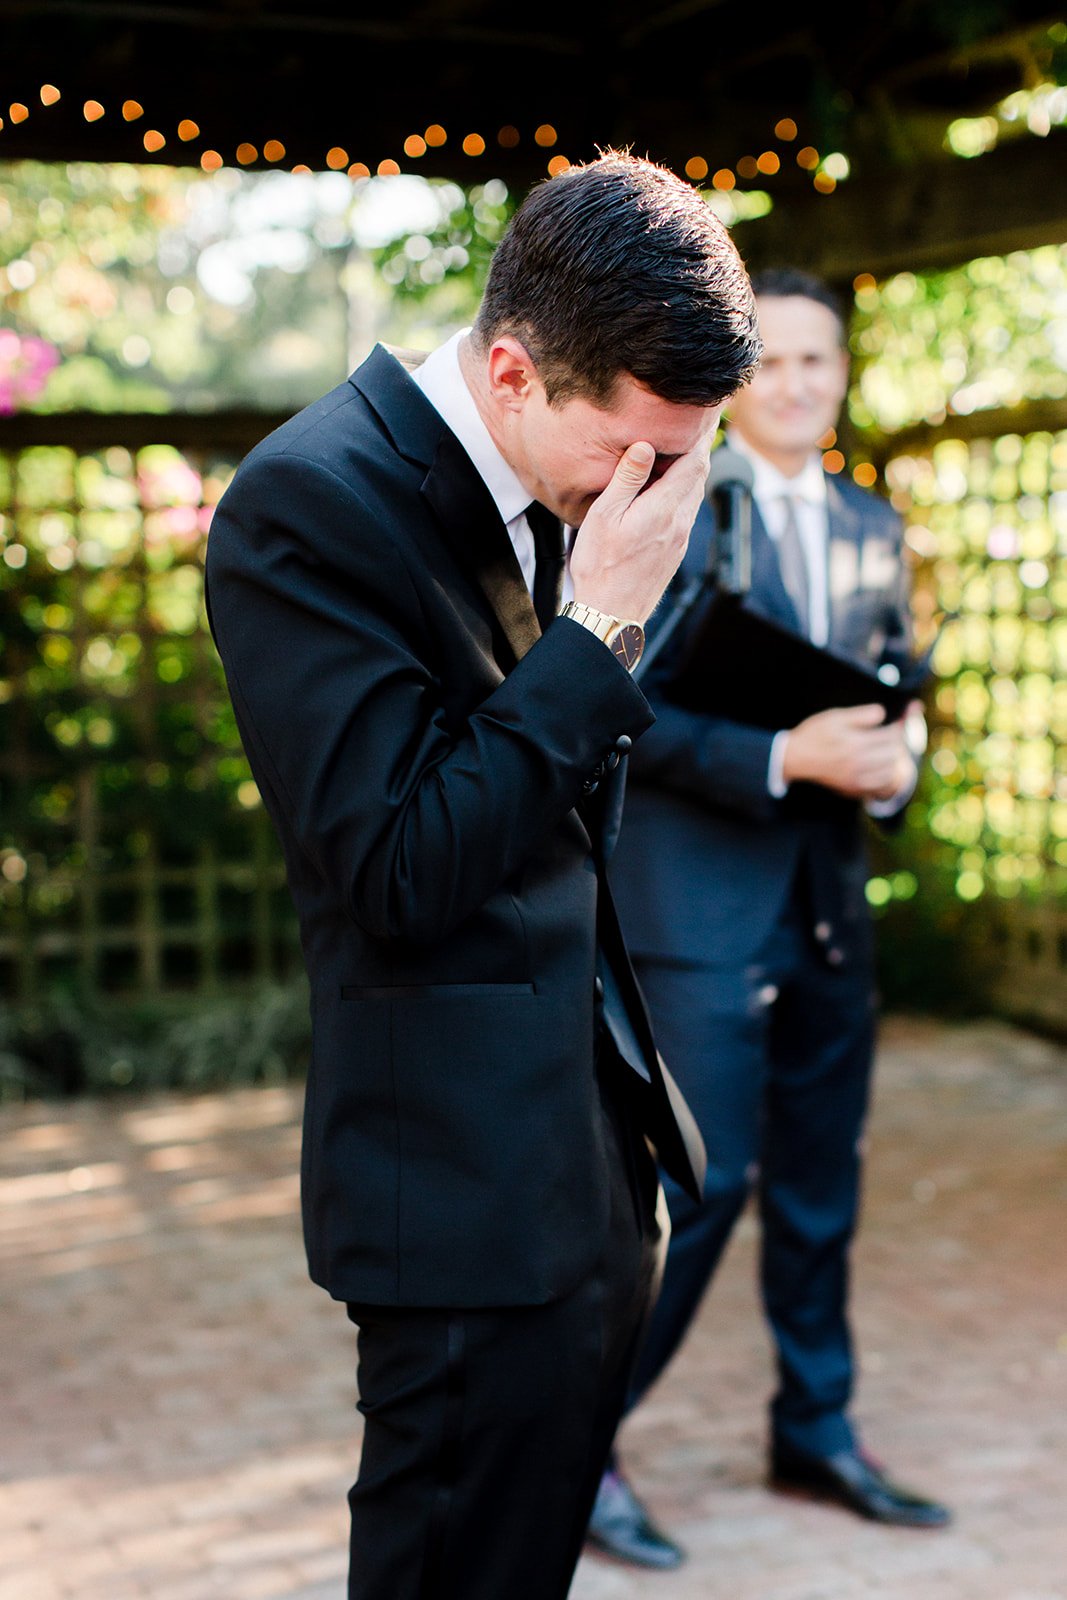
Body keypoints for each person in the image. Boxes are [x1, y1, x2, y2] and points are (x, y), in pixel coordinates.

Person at [205, 153, 761, 1600]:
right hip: (454, 1206)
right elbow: (396, 866)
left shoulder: (558, 474)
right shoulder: (306, 505)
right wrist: (602, 636)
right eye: (637, 454)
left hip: (588, 1168)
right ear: (513, 371)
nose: (657, 493)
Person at [587, 267, 950, 1572]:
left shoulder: (871, 520)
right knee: (705, 1186)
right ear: (743, 379)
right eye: (775, 361)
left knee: (818, 1188)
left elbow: (891, 694)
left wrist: (898, 764)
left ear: (845, 375)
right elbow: (619, 712)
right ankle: (578, 1446)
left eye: (820, 361)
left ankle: (817, 1426)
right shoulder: (675, 508)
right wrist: (786, 756)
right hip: (699, 909)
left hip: (828, 907)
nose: (797, 383)